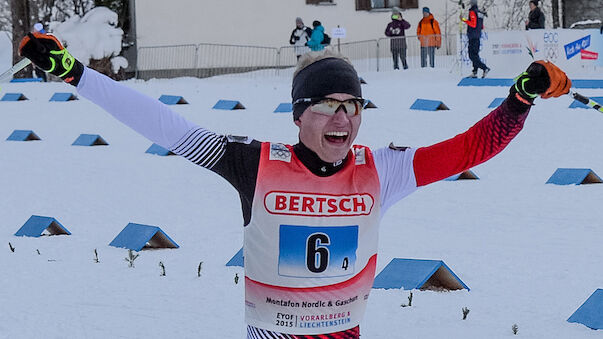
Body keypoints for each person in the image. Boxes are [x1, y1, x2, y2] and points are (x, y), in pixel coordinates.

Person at [19, 33, 571, 338]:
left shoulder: (383, 170)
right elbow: (164, 125)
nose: (344, 119)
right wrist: (75, 72)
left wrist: (519, 98)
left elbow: (472, 149)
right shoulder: (254, 164)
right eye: (328, 106)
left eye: (353, 107)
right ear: (299, 116)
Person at [462, 0, 490, 78]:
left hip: (472, 36)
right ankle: (475, 72)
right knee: (475, 55)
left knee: (472, 56)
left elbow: (473, 24)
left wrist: (464, 20)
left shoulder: (472, 12)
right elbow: (482, 26)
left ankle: (485, 68)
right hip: (477, 36)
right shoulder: (480, 13)